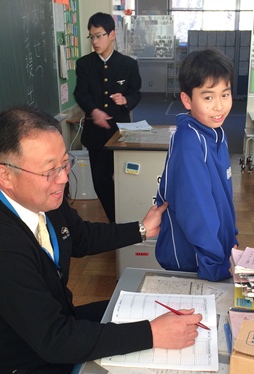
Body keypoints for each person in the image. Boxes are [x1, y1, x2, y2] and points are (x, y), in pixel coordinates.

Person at [0, 105, 202, 374]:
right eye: (50, 171)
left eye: (65, 163)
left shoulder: (40, 198)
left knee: (146, 307)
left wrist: (141, 230)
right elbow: (55, 340)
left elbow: (78, 236)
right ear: (5, 176)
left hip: (50, 332)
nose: (63, 178)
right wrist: (152, 334)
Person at [155, 48, 238, 282]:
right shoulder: (190, 142)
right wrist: (214, 264)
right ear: (187, 100)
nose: (219, 106)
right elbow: (196, 212)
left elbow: (221, 198)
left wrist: (230, 240)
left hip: (216, 252)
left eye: (225, 94)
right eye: (208, 97)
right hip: (195, 261)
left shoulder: (216, 133)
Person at [74, 12, 142, 222]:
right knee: (100, 180)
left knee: (122, 177)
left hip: (120, 133)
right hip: (95, 133)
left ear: (112, 35)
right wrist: (94, 111)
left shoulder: (128, 64)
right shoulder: (84, 64)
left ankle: (122, 218)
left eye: (99, 36)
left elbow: (136, 92)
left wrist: (126, 100)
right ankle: (117, 220)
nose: (94, 41)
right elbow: (81, 93)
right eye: (91, 37)